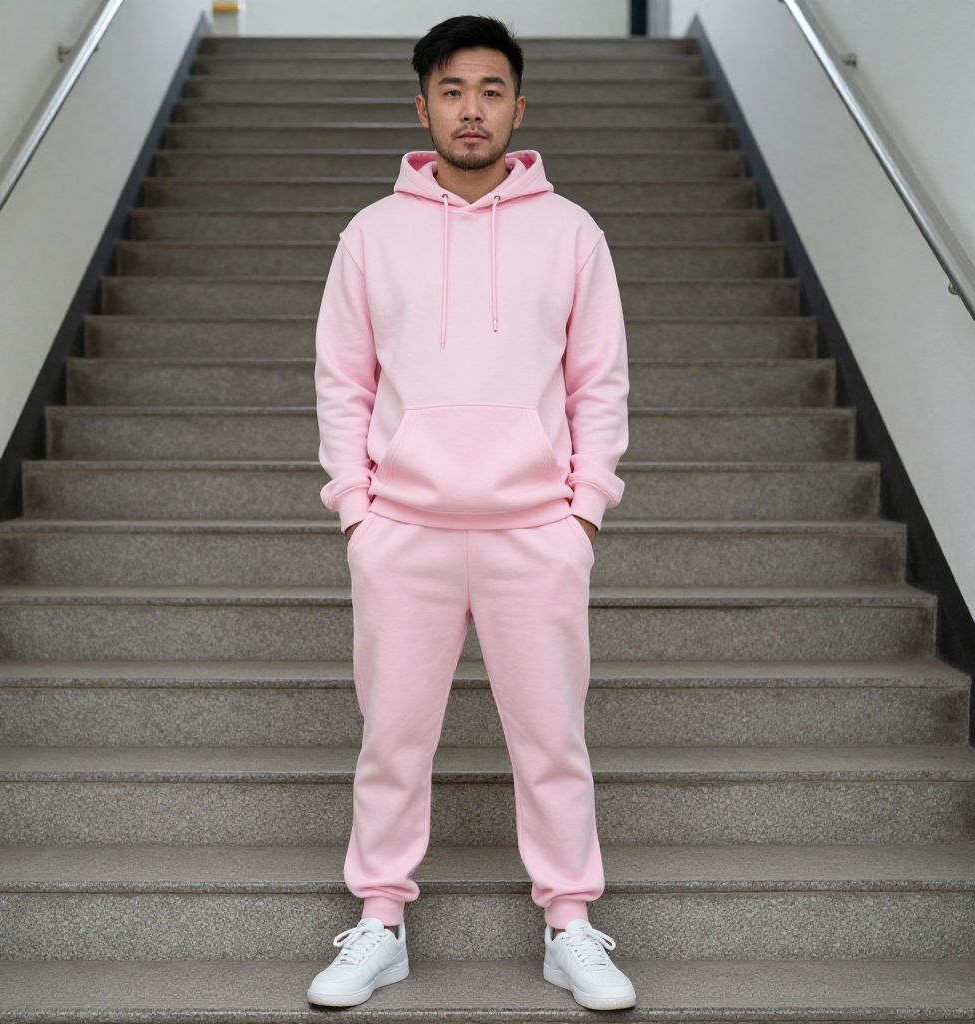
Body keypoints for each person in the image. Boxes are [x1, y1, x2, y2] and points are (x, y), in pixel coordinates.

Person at [307, 14, 636, 1013]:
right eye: (453, 90)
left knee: (551, 739)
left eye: (491, 90)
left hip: (532, 533)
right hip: (404, 534)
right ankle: (378, 920)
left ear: (518, 107)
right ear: (423, 106)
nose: (472, 109)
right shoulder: (371, 233)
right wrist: (358, 514)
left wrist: (581, 512)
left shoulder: (571, 231)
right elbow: (341, 383)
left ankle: (571, 922)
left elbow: (599, 384)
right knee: (392, 738)